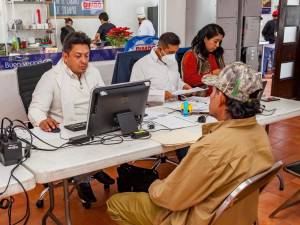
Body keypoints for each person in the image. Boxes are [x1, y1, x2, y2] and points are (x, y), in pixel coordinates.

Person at [107, 62, 275, 225]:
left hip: (197, 218)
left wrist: (152, 185)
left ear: (222, 98)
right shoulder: (260, 134)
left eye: (213, 91)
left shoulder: (210, 148)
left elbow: (170, 199)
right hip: (237, 217)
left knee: (116, 203)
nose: (210, 96)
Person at [28, 32, 114, 205]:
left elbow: (105, 98)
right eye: (78, 56)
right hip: (68, 134)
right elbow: (35, 109)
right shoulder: (51, 77)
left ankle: (92, 169)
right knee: (82, 148)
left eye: (87, 56)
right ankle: (83, 178)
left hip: (94, 127)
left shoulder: (93, 72)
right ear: (65, 56)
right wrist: (42, 120)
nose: (84, 61)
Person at [130, 32, 191, 103]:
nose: (173, 55)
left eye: (175, 52)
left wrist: (183, 86)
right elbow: (136, 93)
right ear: (159, 49)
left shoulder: (173, 61)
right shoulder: (141, 65)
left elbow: (175, 80)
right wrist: (161, 95)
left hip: (175, 106)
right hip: (154, 109)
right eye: (170, 52)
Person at [182, 24, 225, 89]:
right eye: (215, 41)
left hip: (215, 95)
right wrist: (211, 74)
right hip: (199, 97)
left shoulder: (217, 54)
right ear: (205, 39)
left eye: (220, 42)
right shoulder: (191, 55)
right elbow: (189, 80)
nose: (218, 45)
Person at [261, 10, 278, 76]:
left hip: (268, 44)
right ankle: (274, 73)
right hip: (276, 44)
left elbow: (263, 32)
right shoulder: (280, 23)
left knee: (265, 59)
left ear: (273, 16)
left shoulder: (269, 22)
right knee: (274, 59)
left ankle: (263, 73)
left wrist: (267, 37)